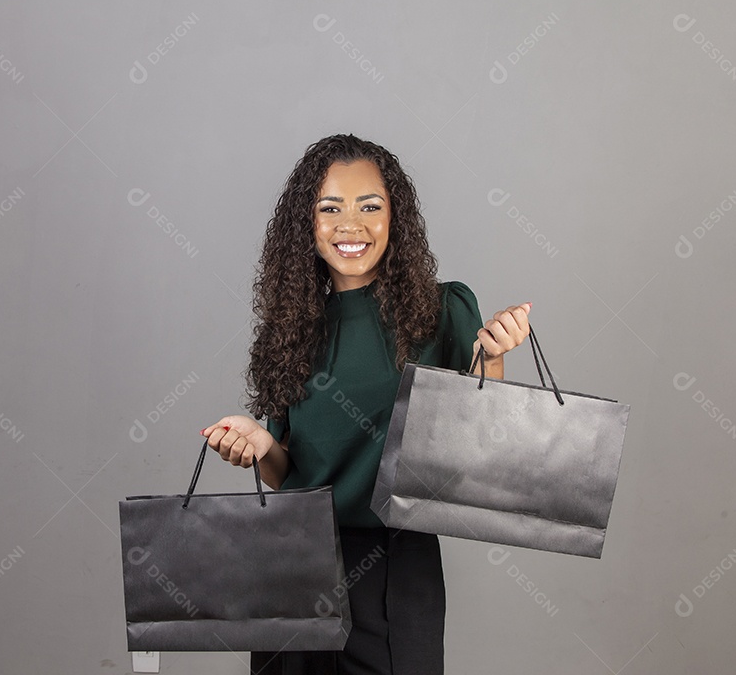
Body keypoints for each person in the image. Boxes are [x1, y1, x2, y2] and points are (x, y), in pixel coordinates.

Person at [199, 133, 532, 675]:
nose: (349, 225)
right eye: (329, 208)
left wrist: (491, 359)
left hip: (394, 566)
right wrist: (261, 445)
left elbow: (481, 443)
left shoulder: (442, 311)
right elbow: (288, 475)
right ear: (306, 226)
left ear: (394, 217)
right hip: (294, 563)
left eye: (369, 207)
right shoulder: (292, 331)